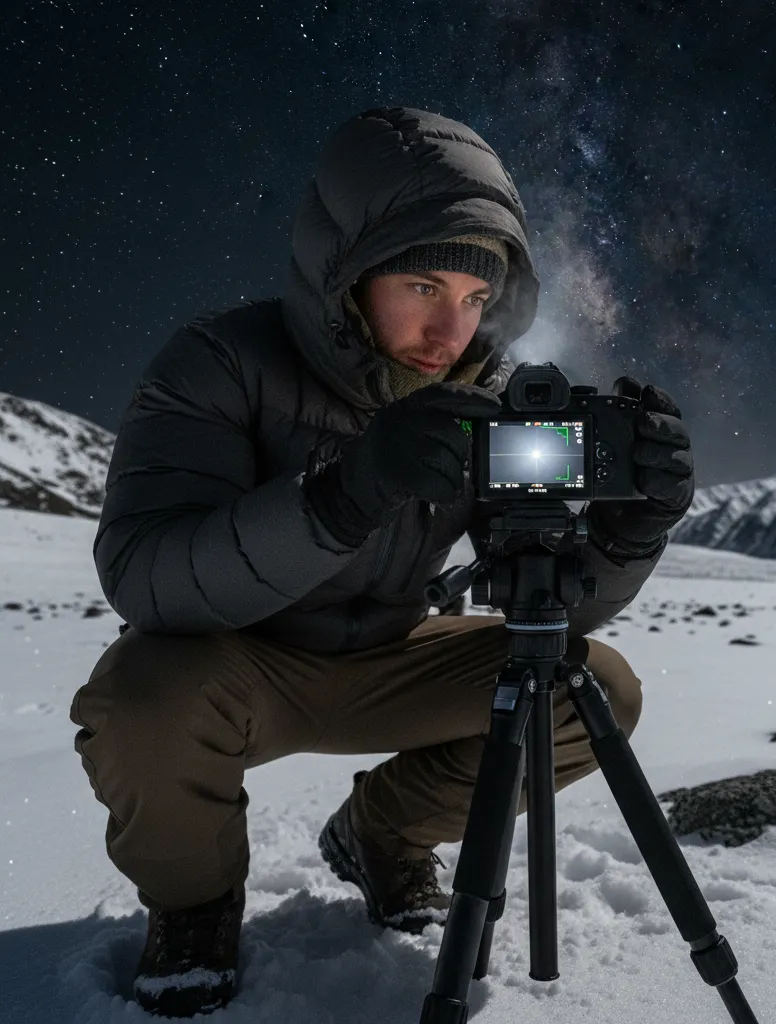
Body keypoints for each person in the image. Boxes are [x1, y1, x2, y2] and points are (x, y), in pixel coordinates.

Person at [69, 106, 695, 1018]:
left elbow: (542, 598)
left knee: (587, 683)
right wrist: (342, 492)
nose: (453, 330)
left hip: (392, 652)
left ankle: (382, 834)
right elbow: (145, 574)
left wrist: (632, 533)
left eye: (477, 300)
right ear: (347, 273)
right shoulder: (220, 363)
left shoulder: (475, 399)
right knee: (142, 698)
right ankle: (194, 906)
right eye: (424, 285)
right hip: (239, 662)